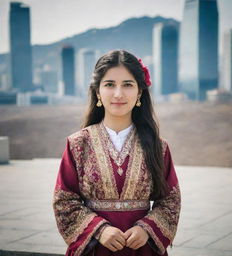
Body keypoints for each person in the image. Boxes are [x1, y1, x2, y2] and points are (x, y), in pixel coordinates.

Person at [52, 49, 181, 256]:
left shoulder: (159, 147)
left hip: (142, 249)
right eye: (110, 84)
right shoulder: (78, 144)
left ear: (139, 92)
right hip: (94, 249)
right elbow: (64, 200)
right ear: (97, 92)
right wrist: (99, 230)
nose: (118, 94)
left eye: (128, 85)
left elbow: (170, 200)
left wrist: (146, 229)